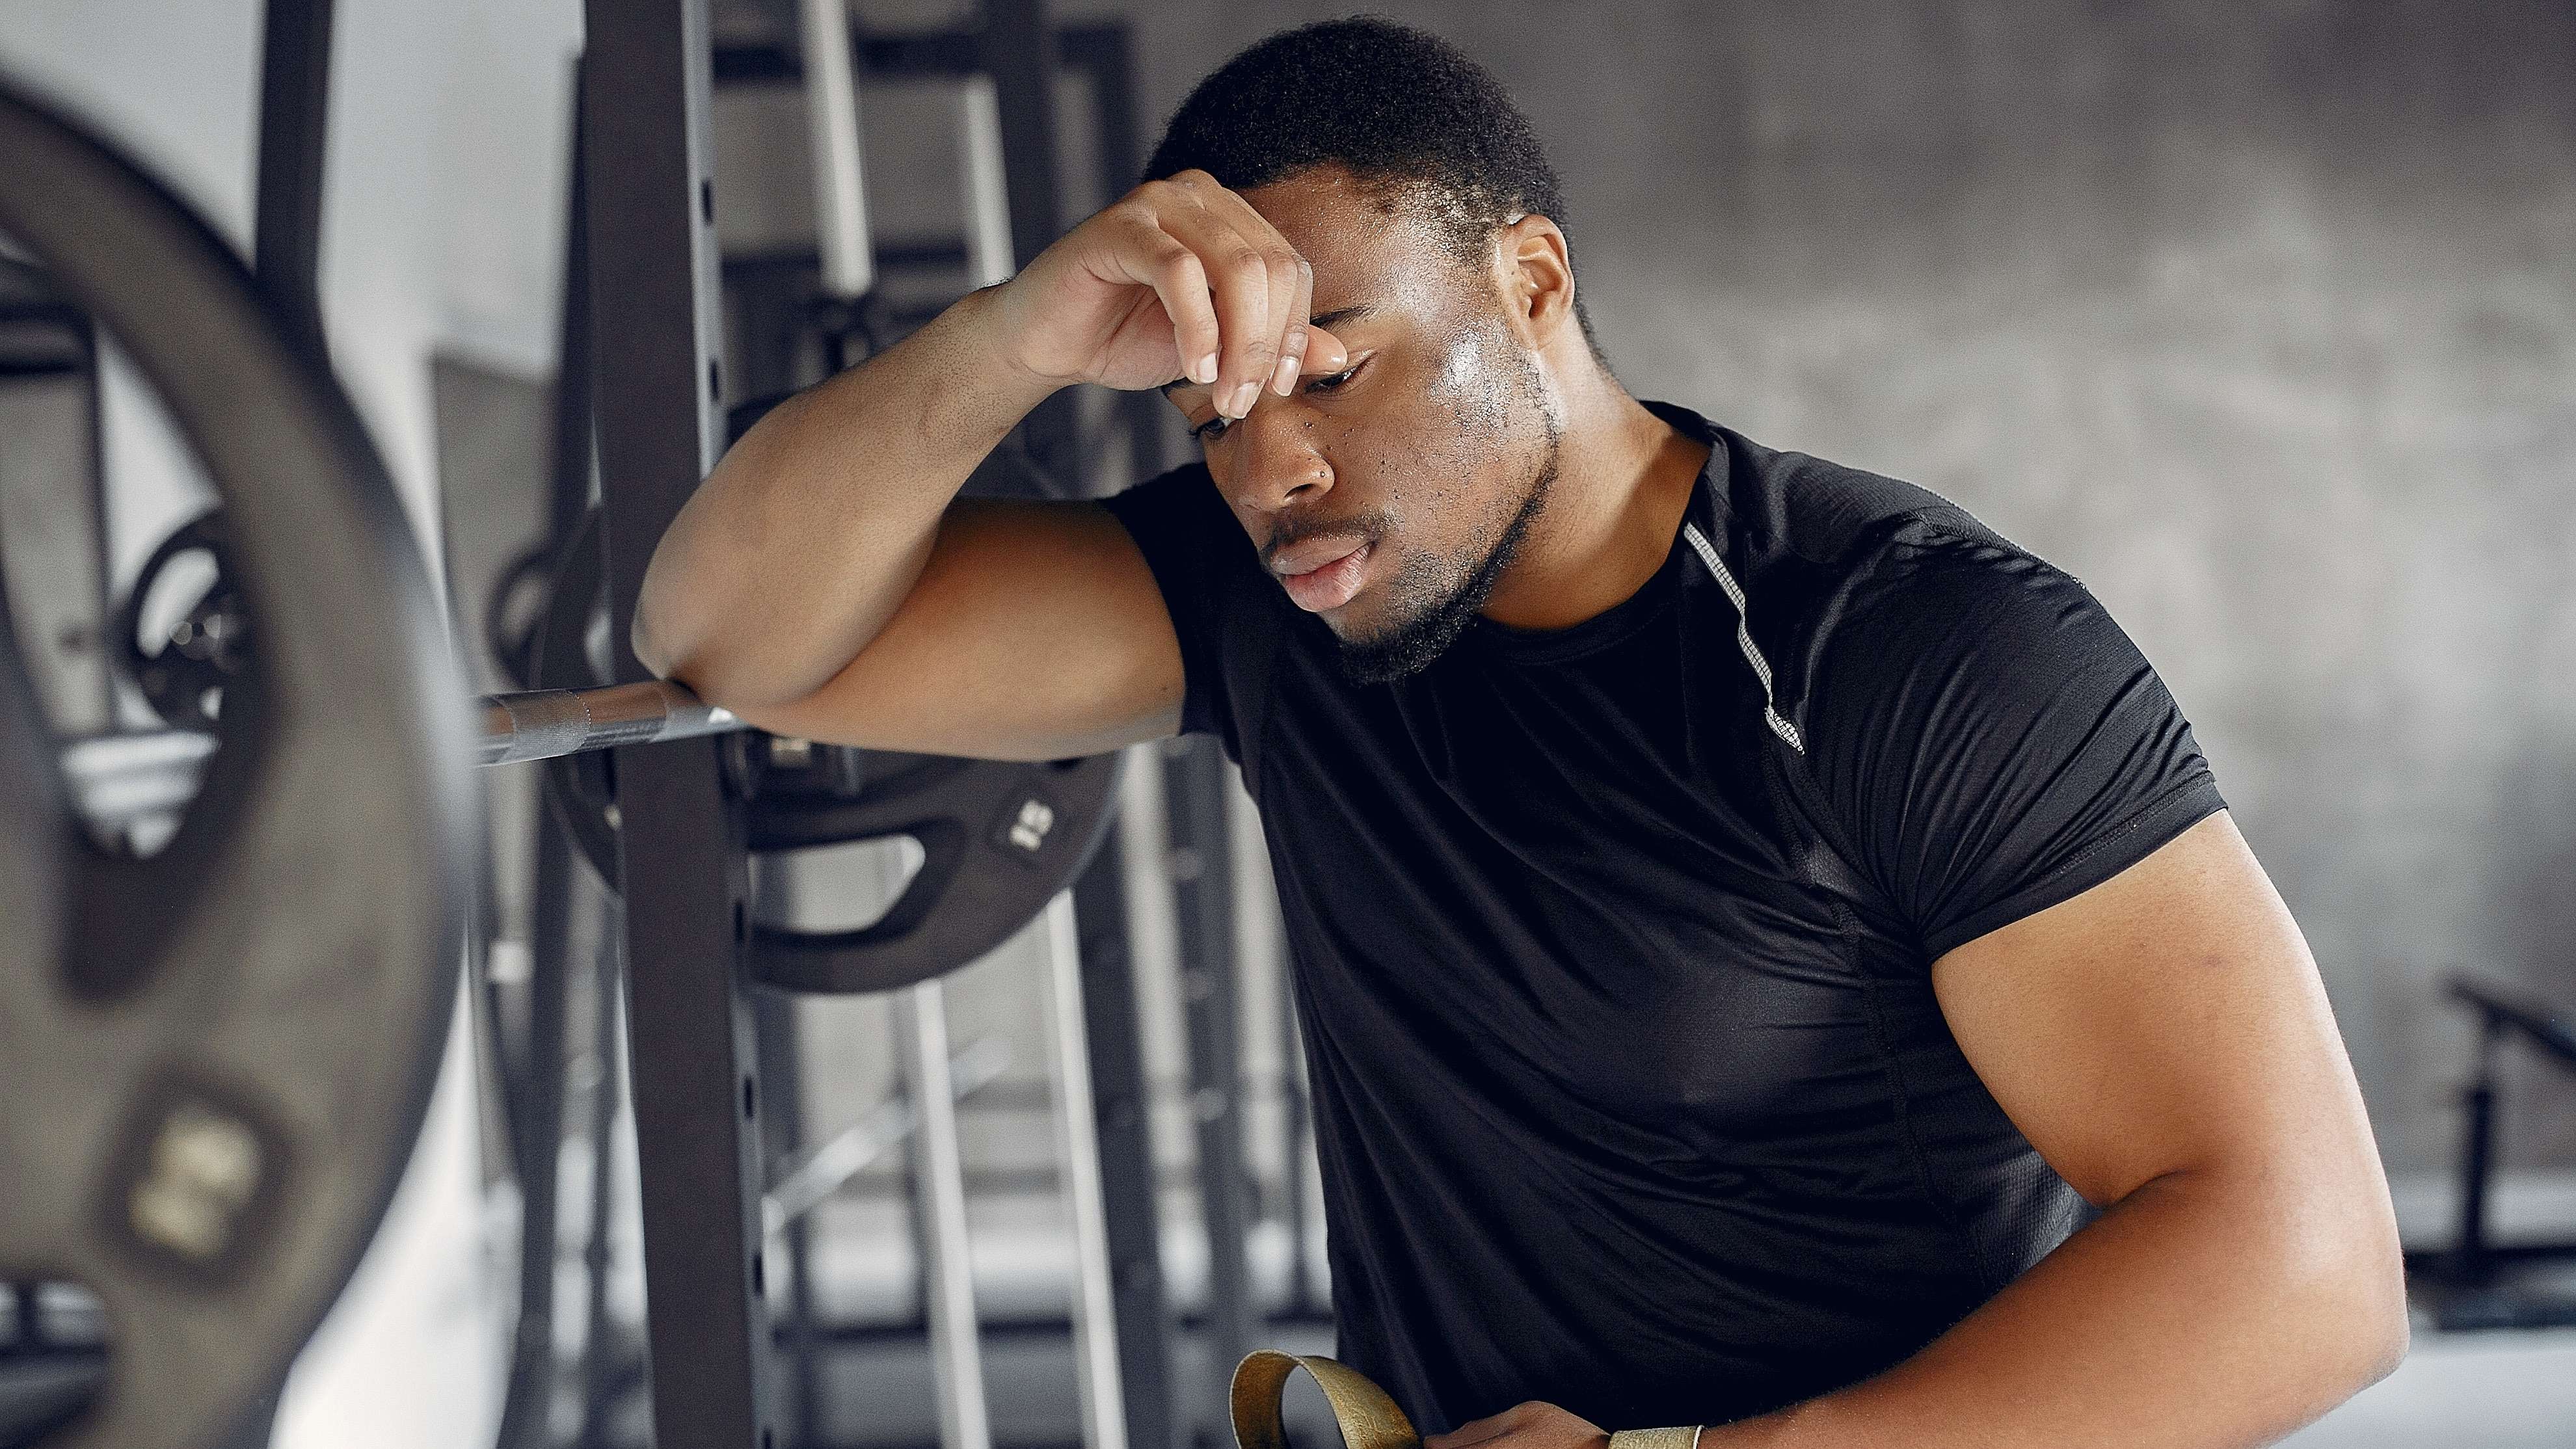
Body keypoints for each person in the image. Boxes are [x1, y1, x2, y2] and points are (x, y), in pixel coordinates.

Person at [634, 17, 2406, 1448]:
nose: (1271, 470)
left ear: (1534, 285)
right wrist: (1013, 338)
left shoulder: (1908, 647)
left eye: (1330, 371)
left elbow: (2306, 1267)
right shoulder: (1271, 590)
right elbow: (725, 632)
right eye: (1210, 419)